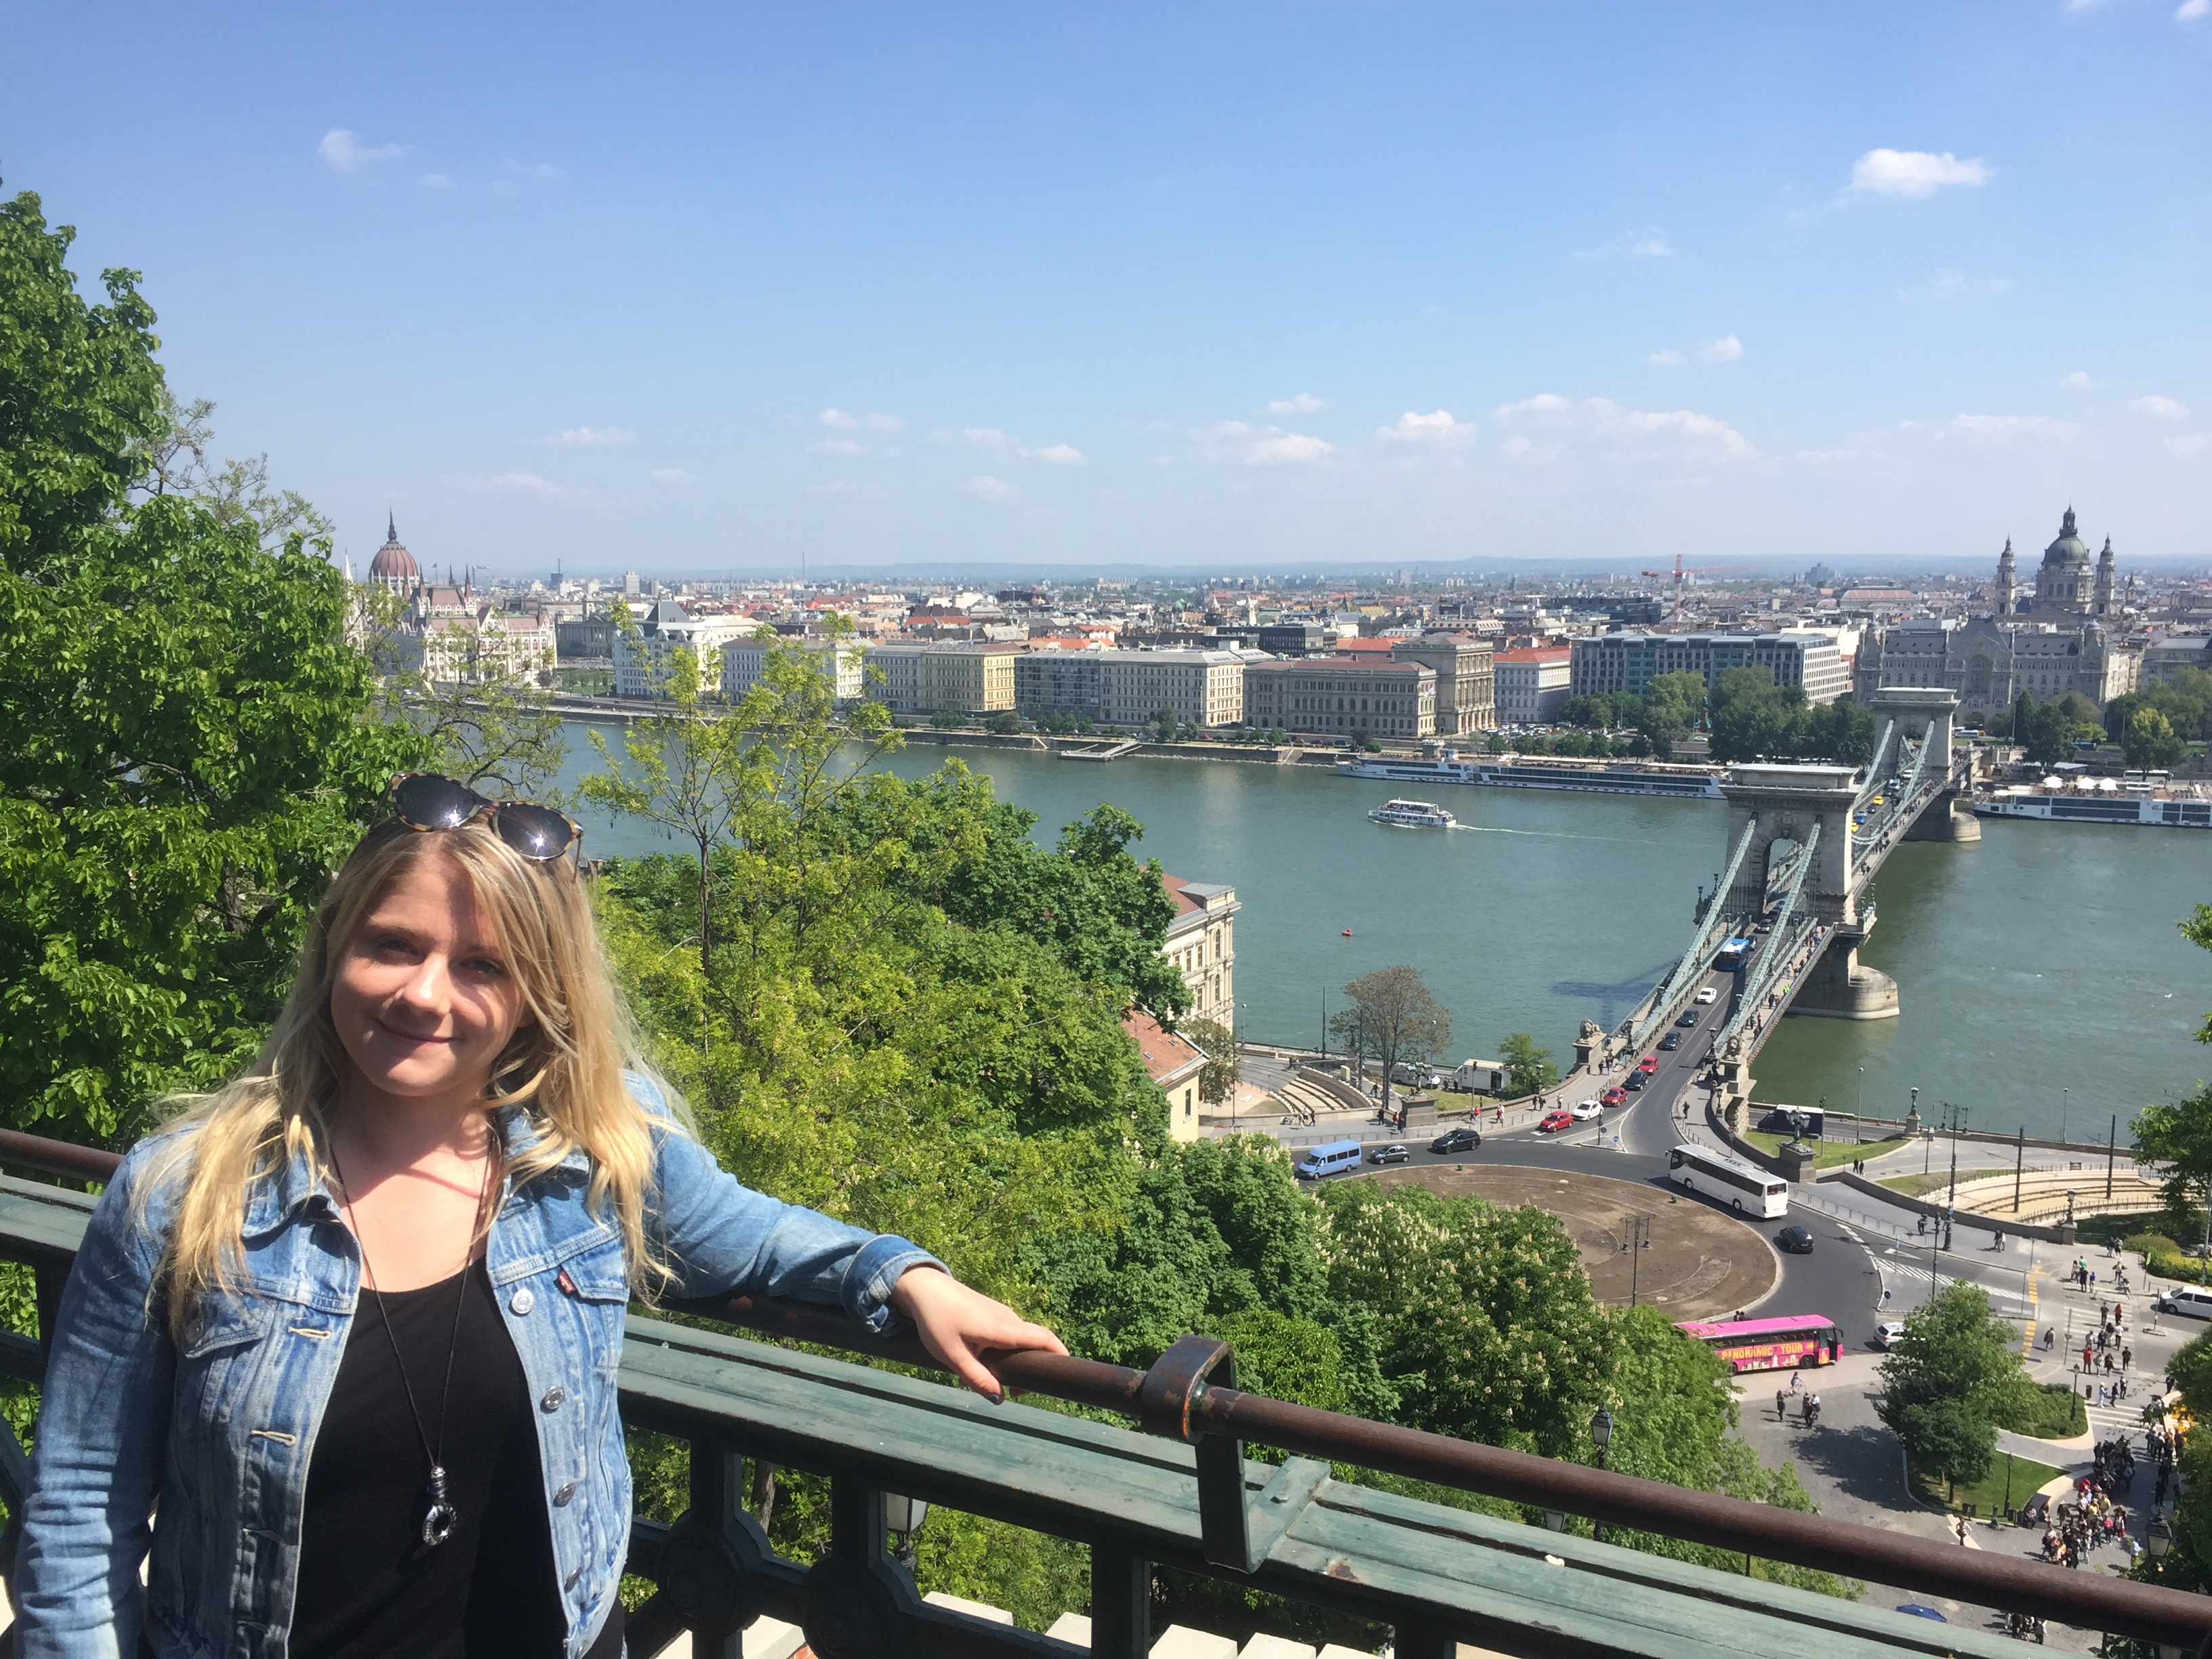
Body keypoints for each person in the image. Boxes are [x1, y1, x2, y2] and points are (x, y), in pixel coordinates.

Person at [12, 775, 1066, 1659]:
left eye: (482, 965)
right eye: (393, 945)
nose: (426, 994)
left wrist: (905, 1276)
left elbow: (749, 1235)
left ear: (537, 993)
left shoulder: (590, 1155)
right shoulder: (180, 1199)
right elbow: (78, 1515)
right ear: (333, 949)